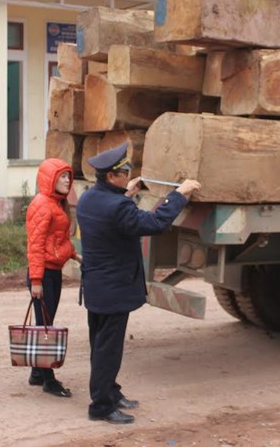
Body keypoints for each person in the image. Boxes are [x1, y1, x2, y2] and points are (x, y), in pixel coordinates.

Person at [76, 142, 201, 425]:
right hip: (113, 290)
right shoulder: (117, 206)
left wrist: (126, 192)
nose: (129, 172)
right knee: (109, 349)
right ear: (112, 176)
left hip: (97, 287)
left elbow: (112, 213)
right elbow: (155, 223)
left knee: (100, 345)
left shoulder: (89, 199)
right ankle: (101, 407)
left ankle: (109, 391)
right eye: (125, 170)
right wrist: (178, 195)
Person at [25, 158, 82, 397]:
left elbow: (58, 240)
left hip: (52, 272)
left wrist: (74, 255)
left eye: (68, 176)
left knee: (45, 323)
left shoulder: (56, 204)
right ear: (50, 179)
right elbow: (35, 246)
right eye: (62, 176)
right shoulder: (42, 204)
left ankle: (38, 373)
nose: (67, 180)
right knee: (46, 326)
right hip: (44, 274)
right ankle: (49, 379)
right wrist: (37, 281)